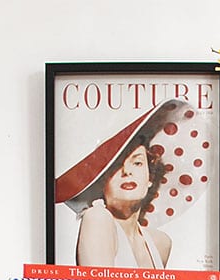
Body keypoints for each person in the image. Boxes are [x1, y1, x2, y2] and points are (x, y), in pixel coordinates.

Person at [55, 97, 210, 268]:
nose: (127, 171)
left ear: (150, 178)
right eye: (115, 166)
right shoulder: (97, 218)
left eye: (137, 163)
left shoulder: (161, 243)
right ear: (102, 183)